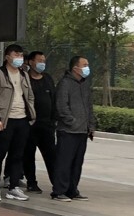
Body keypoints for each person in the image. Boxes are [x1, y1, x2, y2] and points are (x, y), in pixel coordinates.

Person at [0, 43, 35, 202]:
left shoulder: (24, 74)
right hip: (4, 121)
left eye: (21, 55)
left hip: (22, 120)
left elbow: (29, 96)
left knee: (17, 155)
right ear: (7, 57)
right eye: (16, 55)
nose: (19, 58)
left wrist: (31, 115)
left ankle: (13, 187)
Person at [52, 56, 96, 202]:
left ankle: (72, 190)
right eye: (84, 65)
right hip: (68, 131)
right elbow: (61, 106)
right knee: (64, 163)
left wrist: (91, 125)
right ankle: (59, 191)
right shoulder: (65, 83)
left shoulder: (84, 84)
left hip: (82, 131)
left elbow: (89, 106)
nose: (87, 67)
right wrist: (71, 121)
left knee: (77, 163)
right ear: (75, 68)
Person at [23, 51, 57, 194]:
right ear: (31, 62)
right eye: (39, 60)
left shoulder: (47, 78)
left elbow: (54, 99)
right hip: (30, 124)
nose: (42, 63)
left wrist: (54, 119)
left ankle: (57, 183)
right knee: (28, 154)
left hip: (47, 125)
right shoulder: (24, 78)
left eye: (44, 60)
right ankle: (31, 183)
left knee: (51, 156)